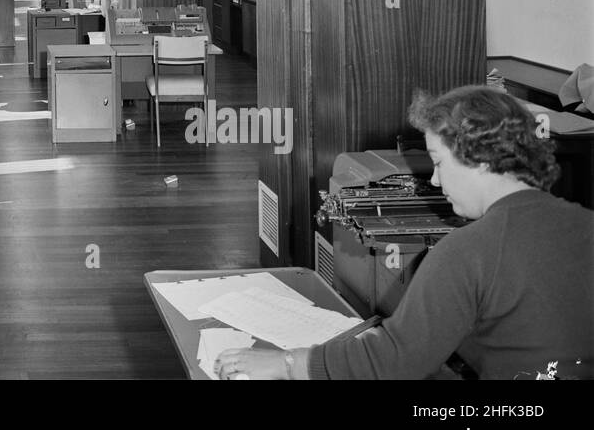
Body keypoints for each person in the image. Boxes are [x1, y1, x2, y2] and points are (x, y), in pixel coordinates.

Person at [215, 86, 594, 381]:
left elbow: (395, 360)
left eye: (438, 163)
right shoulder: (584, 223)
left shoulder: (468, 251)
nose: (434, 178)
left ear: (477, 159)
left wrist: (287, 362)